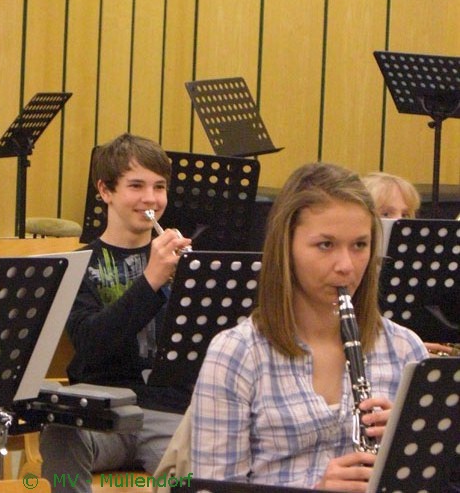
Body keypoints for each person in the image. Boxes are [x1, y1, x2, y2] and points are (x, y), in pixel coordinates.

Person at [191, 163, 428, 491]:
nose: (346, 266)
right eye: (325, 245)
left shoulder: (406, 349)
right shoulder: (237, 354)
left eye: (360, 245)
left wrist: (408, 451)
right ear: (286, 247)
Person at [39, 134, 192, 493]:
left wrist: (194, 282)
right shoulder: (78, 265)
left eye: (159, 187)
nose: (151, 198)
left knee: (205, 459)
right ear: (105, 191)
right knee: (60, 432)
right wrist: (150, 281)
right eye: (136, 186)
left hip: (167, 412)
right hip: (102, 410)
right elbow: (91, 343)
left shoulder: (185, 264)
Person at [362, 171, 456, 356]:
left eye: (405, 214)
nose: (400, 221)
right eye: (386, 213)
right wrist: (411, 347)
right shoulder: (351, 271)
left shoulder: (422, 267)